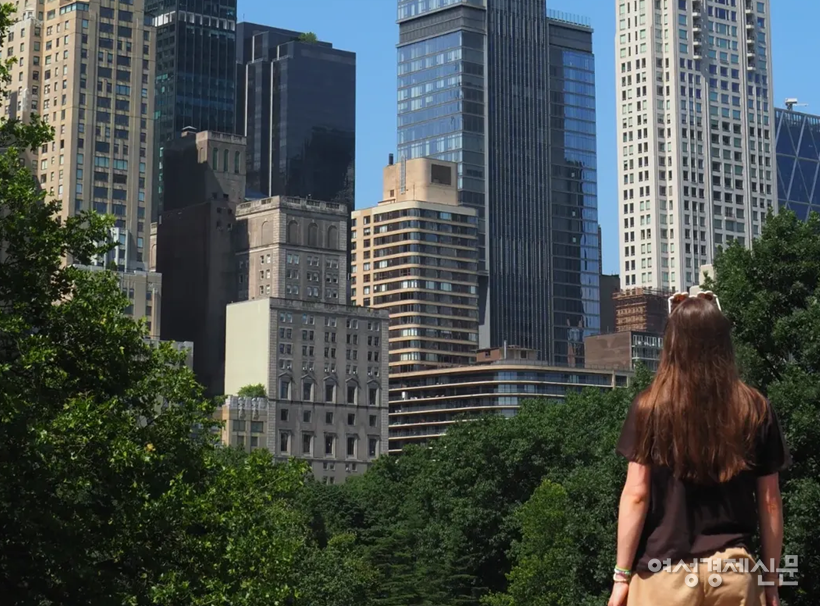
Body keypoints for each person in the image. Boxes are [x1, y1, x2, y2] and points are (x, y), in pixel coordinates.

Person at [607, 292, 791, 606]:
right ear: (724, 343)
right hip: (735, 574)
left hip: (664, 575)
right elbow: (770, 502)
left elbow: (636, 495)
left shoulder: (649, 407)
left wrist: (621, 576)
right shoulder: (754, 407)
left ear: (671, 344)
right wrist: (771, 580)